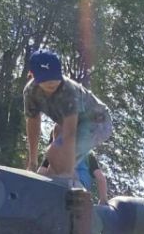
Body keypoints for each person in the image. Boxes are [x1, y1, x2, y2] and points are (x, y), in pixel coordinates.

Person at [24, 49, 113, 180]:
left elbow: (70, 133)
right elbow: (33, 123)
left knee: (54, 155)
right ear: (32, 75)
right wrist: (32, 162)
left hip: (98, 122)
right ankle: (63, 180)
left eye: (55, 76)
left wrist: (65, 167)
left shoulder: (69, 90)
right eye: (46, 78)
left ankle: (72, 183)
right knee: (52, 166)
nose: (52, 82)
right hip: (71, 123)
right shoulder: (30, 92)